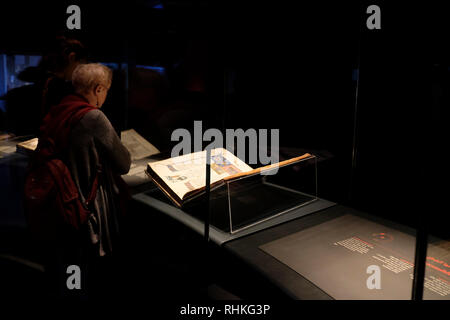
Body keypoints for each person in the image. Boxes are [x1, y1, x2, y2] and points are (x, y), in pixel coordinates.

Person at [39, 63, 131, 298]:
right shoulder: (94, 117)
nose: (106, 95)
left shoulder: (59, 109)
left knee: (68, 267)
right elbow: (124, 163)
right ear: (98, 89)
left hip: (57, 204)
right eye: (107, 90)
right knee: (90, 273)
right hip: (85, 209)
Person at [4, 36, 87, 135]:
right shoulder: (64, 90)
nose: (81, 70)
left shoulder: (30, 84)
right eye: (81, 64)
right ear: (72, 58)